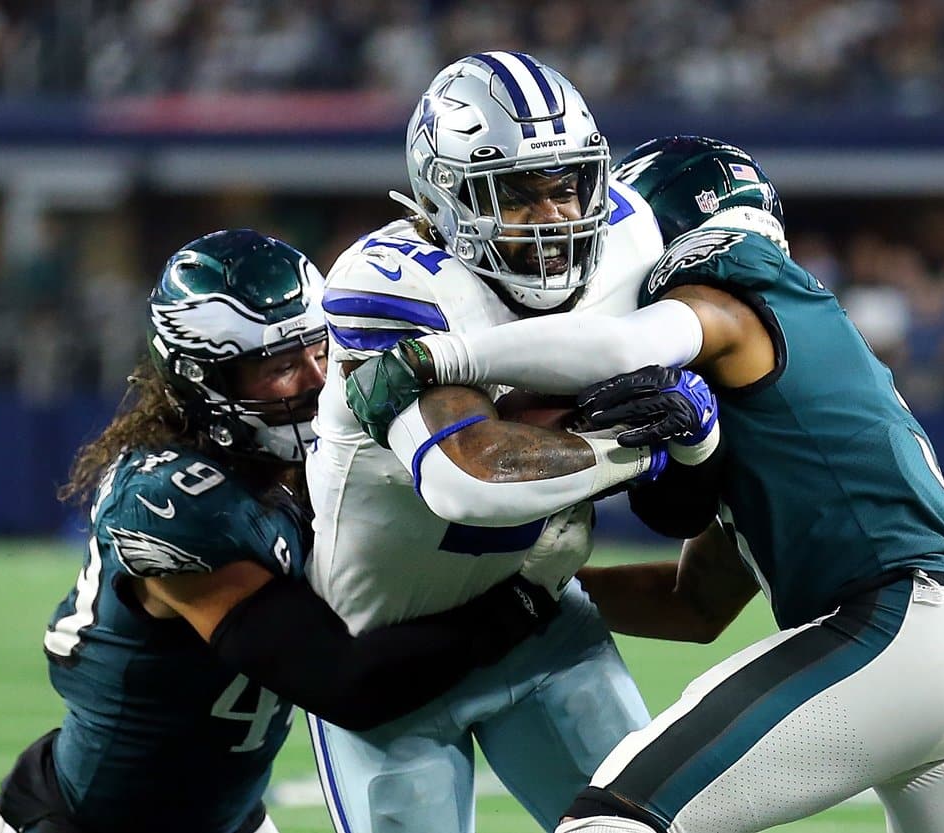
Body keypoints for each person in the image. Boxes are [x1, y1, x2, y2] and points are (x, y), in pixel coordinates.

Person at [346, 136, 944, 833]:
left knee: (613, 819)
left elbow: (626, 346)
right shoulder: (796, 383)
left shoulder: (729, 278)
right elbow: (696, 604)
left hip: (904, 632)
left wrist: (439, 354)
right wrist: (532, 591)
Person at [0, 229, 580, 833]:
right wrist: (523, 599)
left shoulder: (314, 460)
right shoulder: (178, 500)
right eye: (278, 364)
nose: (317, 377)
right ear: (203, 380)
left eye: (320, 346)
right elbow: (343, 681)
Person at [306, 53, 719, 833]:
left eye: (566, 185)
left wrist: (697, 433)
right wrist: (650, 443)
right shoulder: (394, 282)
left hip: (540, 619)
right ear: (442, 198)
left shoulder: (630, 237)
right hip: (387, 658)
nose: (557, 215)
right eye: (517, 195)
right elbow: (470, 479)